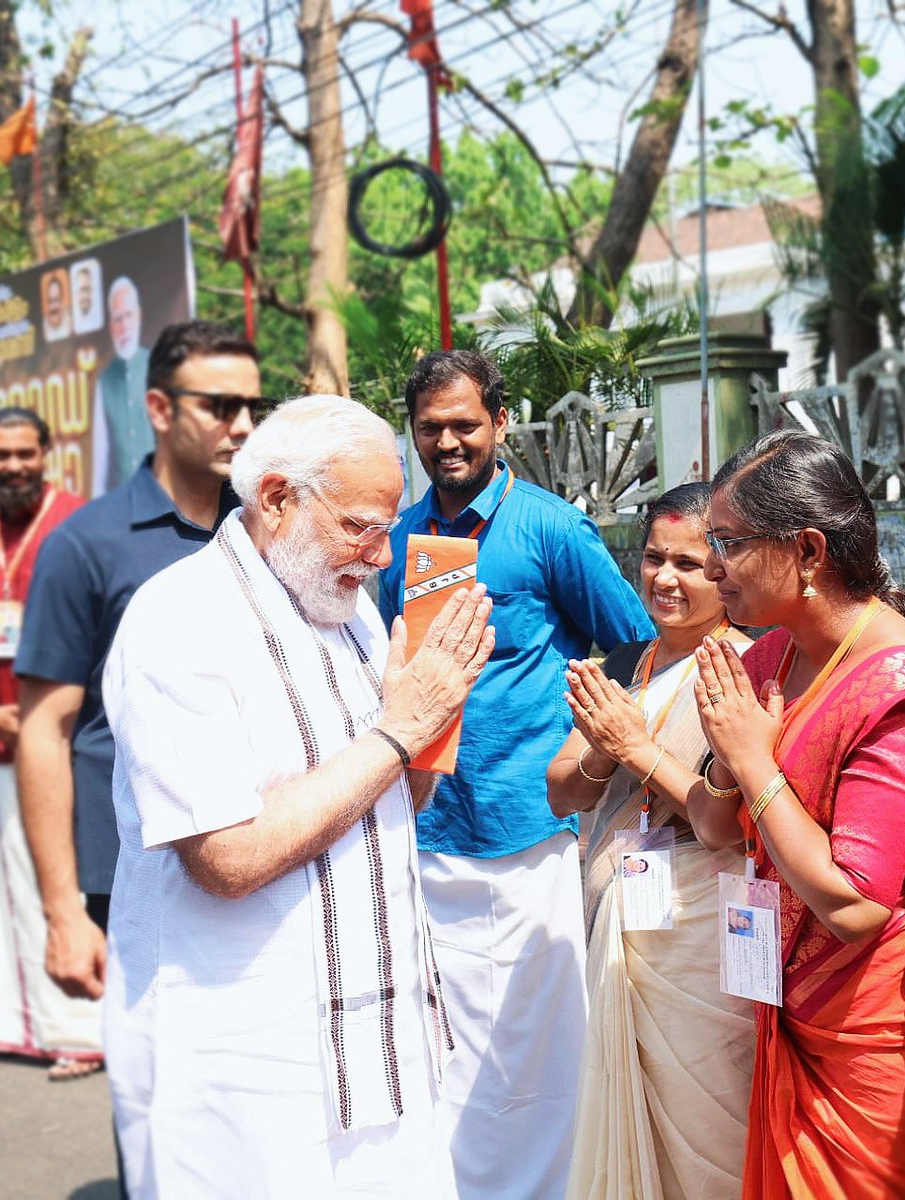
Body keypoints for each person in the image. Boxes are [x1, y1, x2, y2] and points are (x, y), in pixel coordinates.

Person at [102, 395, 494, 1198]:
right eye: (359, 526)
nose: (381, 556)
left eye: (386, 529)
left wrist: (430, 720)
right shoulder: (180, 619)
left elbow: (393, 807)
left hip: (379, 1035)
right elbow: (228, 857)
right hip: (246, 1057)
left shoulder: (350, 617)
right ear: (277, 498)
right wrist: (396, 731)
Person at [688, 430, 905, 1198]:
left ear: (807, 549)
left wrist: (754, 762)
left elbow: (853, 903)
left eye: (726, 541)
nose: (709, 563)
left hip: (880, 1033)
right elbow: (711, 826)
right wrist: (726, 756)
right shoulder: (765, 657)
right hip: (792, 1010)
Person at [378, 350, 653, 1199]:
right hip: (421, 824)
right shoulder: (396, 539)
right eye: (431, 427)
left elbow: (636, 642)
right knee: (438, 1044)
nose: (449, 441)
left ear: (500, 423)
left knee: (536, 1048)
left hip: (526, 825)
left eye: (465, 424)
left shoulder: (549, 528)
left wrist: (595, 754)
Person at [15, 321, 262, 1023]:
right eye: (218, 406)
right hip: (130, 872)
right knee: (158, 1105)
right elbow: (44, 730)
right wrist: (64, 910)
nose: (241, 426)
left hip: (255, 855)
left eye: (253, 407)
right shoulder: (84, 546)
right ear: (159, 409)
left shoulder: (262, 535)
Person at [547, 483, 755, 1200]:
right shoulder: (626, 662)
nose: (666, 578)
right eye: (654, 558)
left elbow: (718, 819)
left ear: (725, 567)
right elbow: (562, 790)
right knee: (621, 1107)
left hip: (701, 932)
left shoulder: (746, 671)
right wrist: (605, 752)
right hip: (620, 914)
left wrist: (630, 746)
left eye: (690, 564)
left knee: (705, 1127)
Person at [0, 408, 101, 1075]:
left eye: (23, 453)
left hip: (66, 742)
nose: (11, 465)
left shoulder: (78, 522)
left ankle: (81, 1033)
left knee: (66, 885)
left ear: (47, 452)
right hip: (0, 737)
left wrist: (39, 714)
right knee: (12, 881)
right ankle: (27, 1023)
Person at [96, 277, 153, 490]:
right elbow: (100, 454)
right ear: (111, 326)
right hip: (123, 497)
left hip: (163, 497)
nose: (124, 326)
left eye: (128, 315)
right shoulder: (104, 379)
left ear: (138, 316)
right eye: (118, 319)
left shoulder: (158, 364)